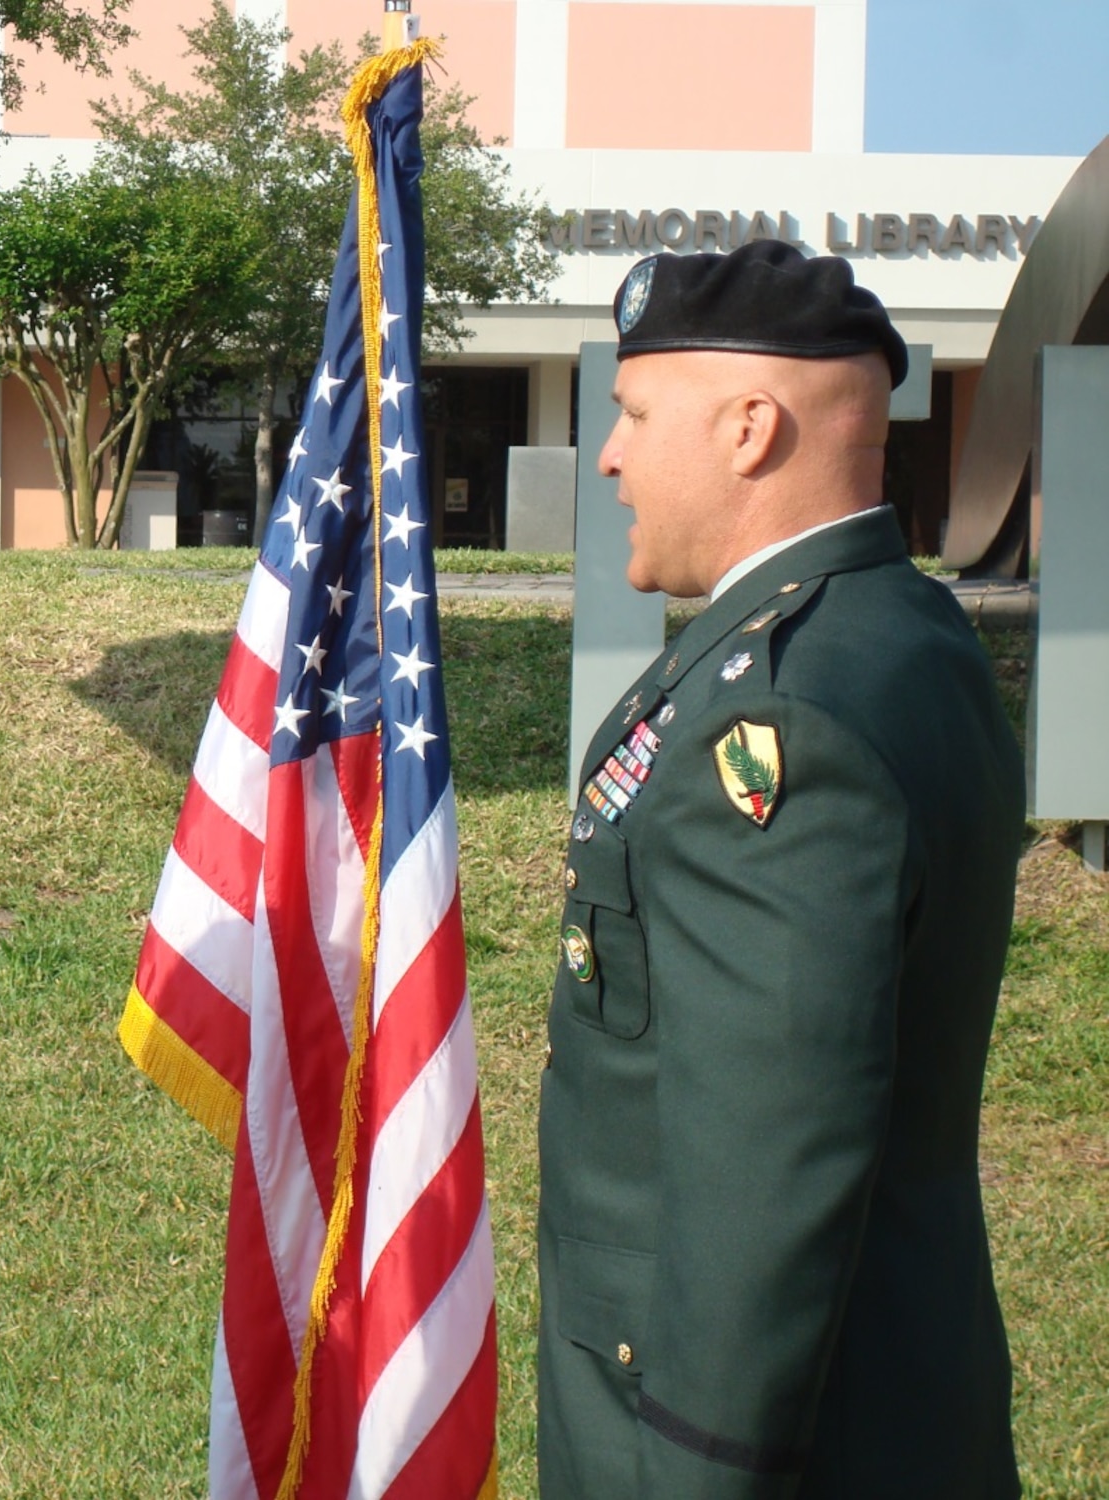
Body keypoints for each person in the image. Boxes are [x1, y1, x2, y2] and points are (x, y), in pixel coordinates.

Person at [537, 240, 1023, 1498]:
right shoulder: (895, 632)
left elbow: (760, 1177)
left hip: (742, 1434)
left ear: (749, 429)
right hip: (886, 1385)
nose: (609, 455)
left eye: (636, 415)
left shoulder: (781, 717)